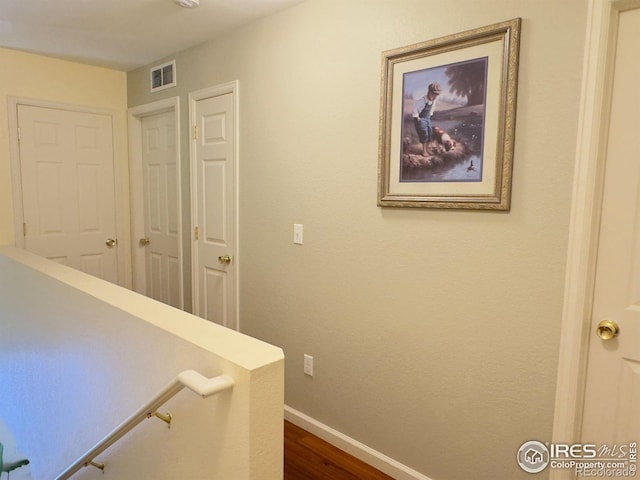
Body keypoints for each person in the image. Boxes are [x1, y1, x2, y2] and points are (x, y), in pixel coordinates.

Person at [412, 82, 442, 156]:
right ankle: (424, 151)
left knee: (430, 133)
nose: (435, 96)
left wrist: (430, 115)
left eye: (437, 95)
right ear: (429, 92)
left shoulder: (433, 100)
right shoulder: (422, 101)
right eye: (434, 94)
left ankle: (428, 149)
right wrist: (418, 118)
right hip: (420, 118)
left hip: (427, 118)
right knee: (424, 134)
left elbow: (432, 109)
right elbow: (415, 110)